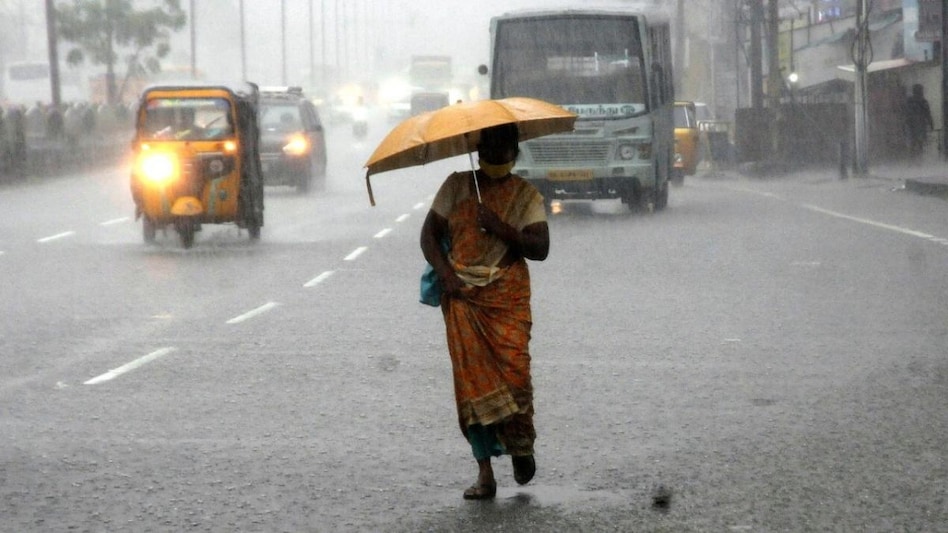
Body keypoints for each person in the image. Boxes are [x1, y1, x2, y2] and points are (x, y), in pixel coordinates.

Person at [419, 123, 550, 500]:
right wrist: (449, 278)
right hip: (462, 300)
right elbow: (428, 236)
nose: (497, 158)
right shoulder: (457, 186)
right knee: (471, 388)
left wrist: (499, 226)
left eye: (505, 151)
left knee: (516, 375)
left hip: (506, 298)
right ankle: (485, 473)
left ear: (515, 153)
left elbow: (540, 248)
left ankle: (521, 445)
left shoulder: (525, 196)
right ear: (479, 151)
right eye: (490, 151)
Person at [904, 83, 933, 161]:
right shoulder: (923, 101)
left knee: (915, 141)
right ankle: (917, 157)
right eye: (920, 90)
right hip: (918, 124)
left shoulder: (911, 101)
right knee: (918, 141)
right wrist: (931, 123)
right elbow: (928, 113)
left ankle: (914, 157)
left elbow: (906, 112)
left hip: (914, 124)